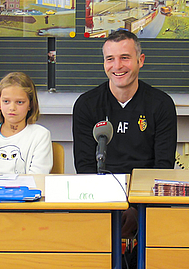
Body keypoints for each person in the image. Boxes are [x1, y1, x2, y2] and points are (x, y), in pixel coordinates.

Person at [72, 29, 177, 174]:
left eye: (125, 58)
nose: (117, 66)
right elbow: (84, 166)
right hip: (102, 190)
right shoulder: (86, 105)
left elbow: (163, 166)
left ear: (140, 60)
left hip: (144, 191)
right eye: (110, 59)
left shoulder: (161, 104)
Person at [0, 72, 52, 174]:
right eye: (6, 101)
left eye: (19, 102)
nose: (12, 108)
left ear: (30, 105)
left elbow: (37, 177)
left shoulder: (40, 135)